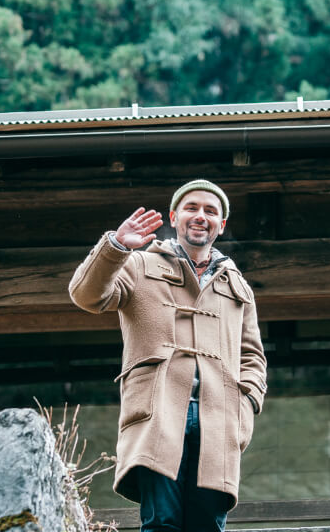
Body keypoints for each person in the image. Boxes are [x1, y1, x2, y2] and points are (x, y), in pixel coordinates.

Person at [69, 179, 267, 532]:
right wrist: (116, 246)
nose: (201, 216)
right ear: (174, 217)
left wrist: (246, 403)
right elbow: (86, 295)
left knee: (208, 525)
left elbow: (252, 356)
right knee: (162, 521)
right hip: (157, 414)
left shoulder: (237, 286)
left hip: (219, 421)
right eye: (192, 208)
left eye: (210, 211)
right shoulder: (139, 265)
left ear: (221, 225)